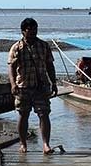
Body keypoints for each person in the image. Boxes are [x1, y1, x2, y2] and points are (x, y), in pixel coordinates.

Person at [8, 18, 58, 154]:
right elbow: (11, 68)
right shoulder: (16, 47)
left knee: (44, 114)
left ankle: (46, 144)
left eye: (35, 30)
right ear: (23, 31)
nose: (33, 32)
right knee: (23, 115)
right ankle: (23, 144)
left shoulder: (43, 46)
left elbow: (50, 65)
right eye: (30, 30)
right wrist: (13, 84)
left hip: (41, 86)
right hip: (23, 86)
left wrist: (54, 83)